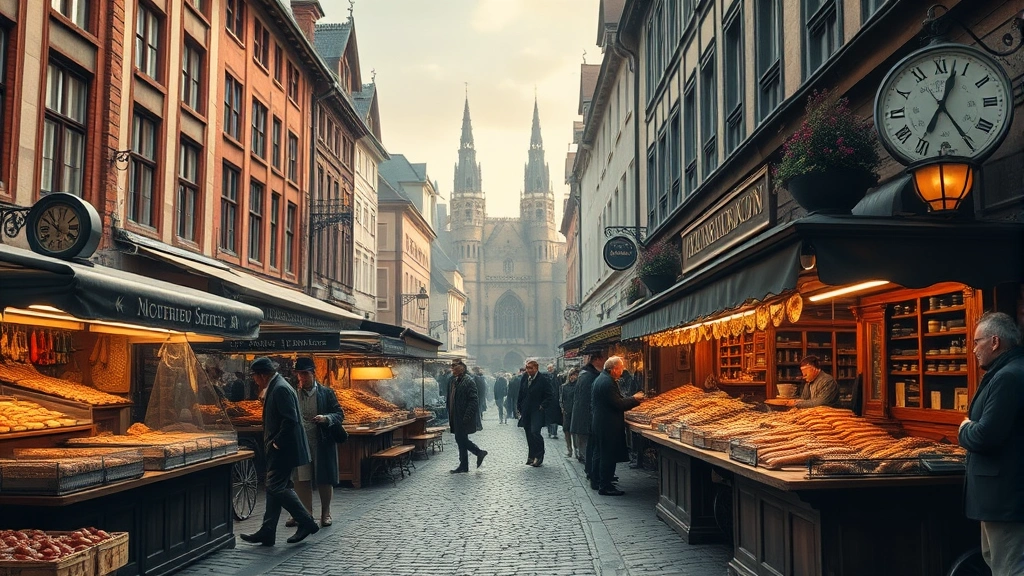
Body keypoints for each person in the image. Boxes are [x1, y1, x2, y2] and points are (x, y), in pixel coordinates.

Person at [958, 312, 1024, 575]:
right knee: (997, 561)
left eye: (977, 341)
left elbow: (985, 436)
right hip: (999, 497)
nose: (973, 349)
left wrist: (964, 428)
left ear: (995, 342)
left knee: (1009, 567)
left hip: (1006, 497)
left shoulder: (1009, 376)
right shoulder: (1007, 371)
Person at [240, 358, 319, 546]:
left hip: (284, 449)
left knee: (276, 487)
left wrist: (277, 443)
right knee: (273, 487)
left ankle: (306, 522)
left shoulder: (280, 388)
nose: (254, 380)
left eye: (255, 377)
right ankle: (268, 531)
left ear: (263, 374)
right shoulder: (277, 385)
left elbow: (290, 419)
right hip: (283, 448)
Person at [286, 357, 345, 528]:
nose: (302, 378)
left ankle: (326, 512)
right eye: (299, 374)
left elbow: (339, 414)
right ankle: (305, 514)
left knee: (324, 478)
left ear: (313, 373)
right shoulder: (293, 393)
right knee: (301, 478)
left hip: (322, 441)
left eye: (305, 374)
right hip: (300, 442)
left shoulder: (326, 393)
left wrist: (326, 418)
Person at [590, 356, 643, 496]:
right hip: (607, 424)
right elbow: (618, 404)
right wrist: (635, 399)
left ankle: (596, 481)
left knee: (599, 453)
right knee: (607, 455)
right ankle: (605, 486)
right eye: (620, 368)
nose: (622, 371)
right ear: (613, 369)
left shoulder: (602, 379)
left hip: (600, 422)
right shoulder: (607, 383)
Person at [447, 360, 486, 473]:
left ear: (462, 368)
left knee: (460, 439)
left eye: (455, 366)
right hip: (456, 415)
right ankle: (464, 465)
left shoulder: (468, 381)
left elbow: (473, 400)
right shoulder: (455, 381)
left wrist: (467, 416)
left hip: (463, 416)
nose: (453, 368)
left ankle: (478, 452)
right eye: (452, 366)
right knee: (461, 439)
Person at [517, 360, 553, 466]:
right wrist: (519, 406)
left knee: (535, 432)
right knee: (528, 432)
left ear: (536, 368)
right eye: (527, 368)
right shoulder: (525, 378)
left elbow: (549, 395)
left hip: (537, 410)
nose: (528, 370)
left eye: (531, 368)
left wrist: (542, 406)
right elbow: (521, 393)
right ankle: (531, 456)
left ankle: (539, 455)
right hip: (526, 410)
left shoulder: (543, 379)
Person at [571, 353, 603, 472]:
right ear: (596, 360)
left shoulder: (585, 375)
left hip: (583, 418)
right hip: (587, 419)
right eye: (603, 358)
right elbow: (588, 400)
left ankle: (591, 471)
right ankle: (592, 471)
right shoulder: (590, 377)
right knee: (590, 447)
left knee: (589, 447)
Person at [560, 368, 579, 458]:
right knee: (566, 430)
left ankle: (576, 449)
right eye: (571, 375)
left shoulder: (578, 386)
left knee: (574, 431)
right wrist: (562, 408)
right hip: (566, 412)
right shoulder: (564, 387)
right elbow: (561, 399)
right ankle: (569, 449)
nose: (573, 377)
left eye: (574, 375)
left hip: (575, 412)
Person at [546, 364, 560, 439]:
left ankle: (554, 432)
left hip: (555, 400)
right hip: (548, 400)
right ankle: (549, 432)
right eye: (549, 368)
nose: (550, 369)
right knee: (548, 417)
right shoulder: (546, 377)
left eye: (551, 368)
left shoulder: (557, 377)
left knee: (555, 417)